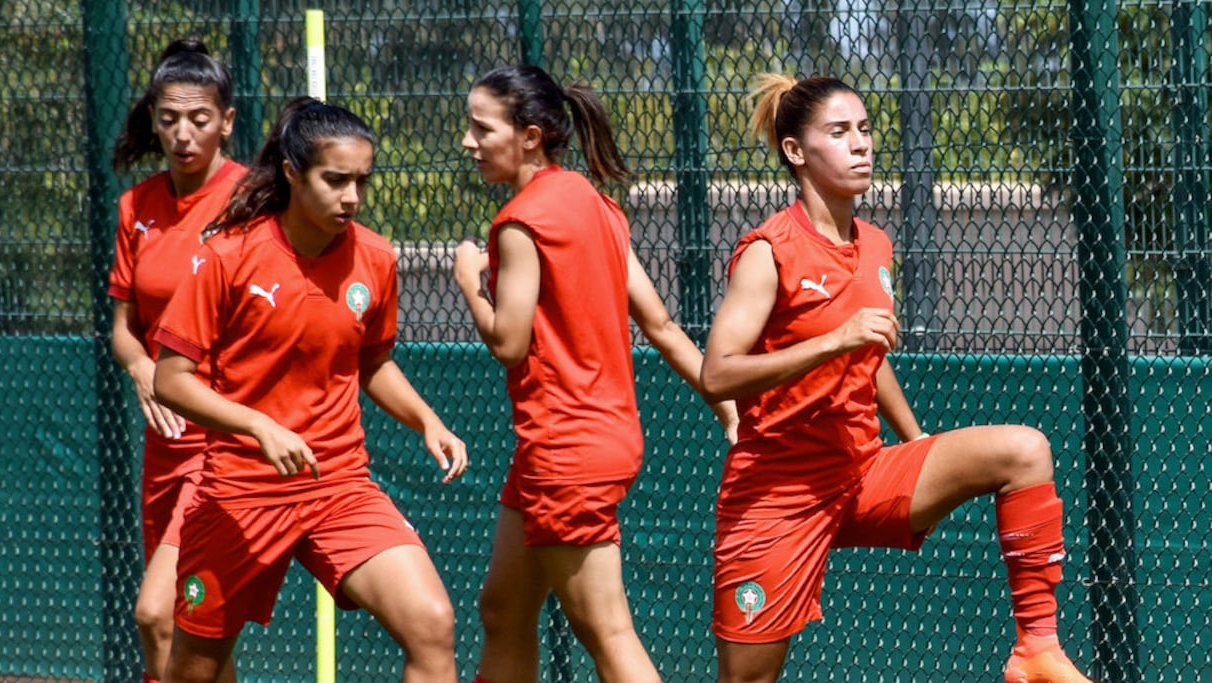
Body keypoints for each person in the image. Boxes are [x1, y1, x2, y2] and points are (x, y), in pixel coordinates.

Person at [698, 73, 1093, 683]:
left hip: (862, 471)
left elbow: (869, 357)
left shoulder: (876, 244)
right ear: (795, 152)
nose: (861, 144)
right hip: (776, 498)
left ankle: (1036, 650)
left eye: (864, 129)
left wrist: (913, 443)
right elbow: (718, 372)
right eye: (839, 132)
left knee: (1025, 451)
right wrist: (836, 338)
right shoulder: (768, 250)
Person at [152, 97, 468, 683]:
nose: (352, 197)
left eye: (362, 182)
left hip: (337, 483)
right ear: (293, 174)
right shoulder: (228, 255)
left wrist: (428, 421)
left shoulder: (375, 258)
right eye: (336, 180)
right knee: (195, 668)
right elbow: (170, 380)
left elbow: (373, 363)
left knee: (431, 624)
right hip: (239, 492)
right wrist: (259, 426)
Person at [452, 64, 737, 683]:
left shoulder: (519, 224)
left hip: (566, 447)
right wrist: (724, 405)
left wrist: (470, 283)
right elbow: (660, 324)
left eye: (480, 128)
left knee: (607, 635)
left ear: (529, 136)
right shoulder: (596, 204)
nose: (467, 142)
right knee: (502, 610)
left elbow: (507, 341)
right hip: (584, 442)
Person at [108, 38, 246, 683]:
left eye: (198, 118)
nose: (183, 133)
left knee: (156, 614)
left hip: (225, 443)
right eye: (169, 119)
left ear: (226, 120)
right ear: (153, 119)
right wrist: (141, 367)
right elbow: (124, 330)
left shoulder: (255, 201)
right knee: (201, 638)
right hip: (163, 447)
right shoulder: (136, 208)